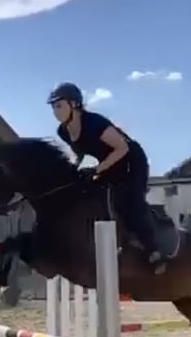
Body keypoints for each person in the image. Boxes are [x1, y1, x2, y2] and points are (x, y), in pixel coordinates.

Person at [47, 81, 162, 266]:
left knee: (127, 199)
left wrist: (96, 170)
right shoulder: (63, 131)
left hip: (132, 161)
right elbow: (79, 151)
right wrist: (74, 169)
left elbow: (122, 148)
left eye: (59, 105)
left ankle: (154, 249)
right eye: (53, 107)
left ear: (74, 104)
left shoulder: (94, 123)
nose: (55, 111)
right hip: (109, 163)